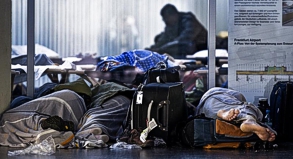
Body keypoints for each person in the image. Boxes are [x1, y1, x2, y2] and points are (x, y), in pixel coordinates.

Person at [195, 87, 276, 142]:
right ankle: (248, 120)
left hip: (205, 113)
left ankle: (223, 114)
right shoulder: (224, 93)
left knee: (242, 110)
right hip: (212, 99)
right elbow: (240, 102)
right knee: (247, 108)